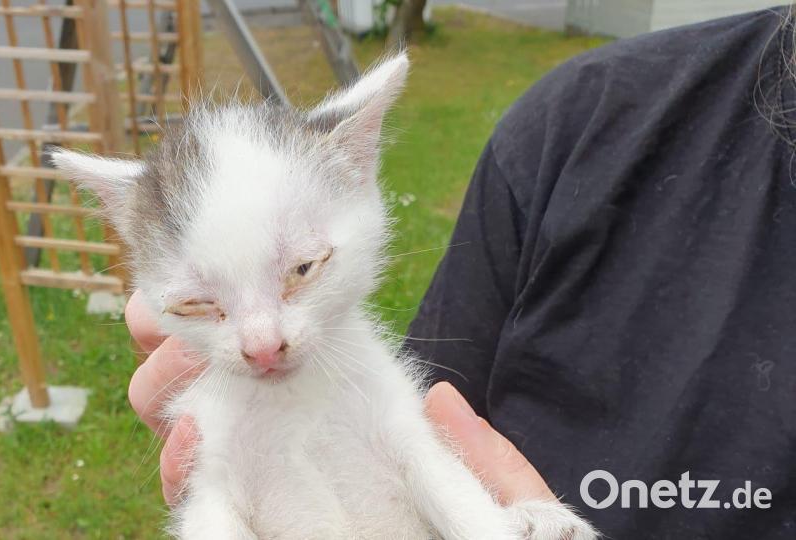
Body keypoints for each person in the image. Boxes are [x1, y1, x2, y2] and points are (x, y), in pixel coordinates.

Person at [126, 6, 796, 538]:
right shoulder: (577, 124)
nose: (260, 343)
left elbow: (422, 466)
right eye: (196, 306)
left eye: (301, 269)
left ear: (356, 166)